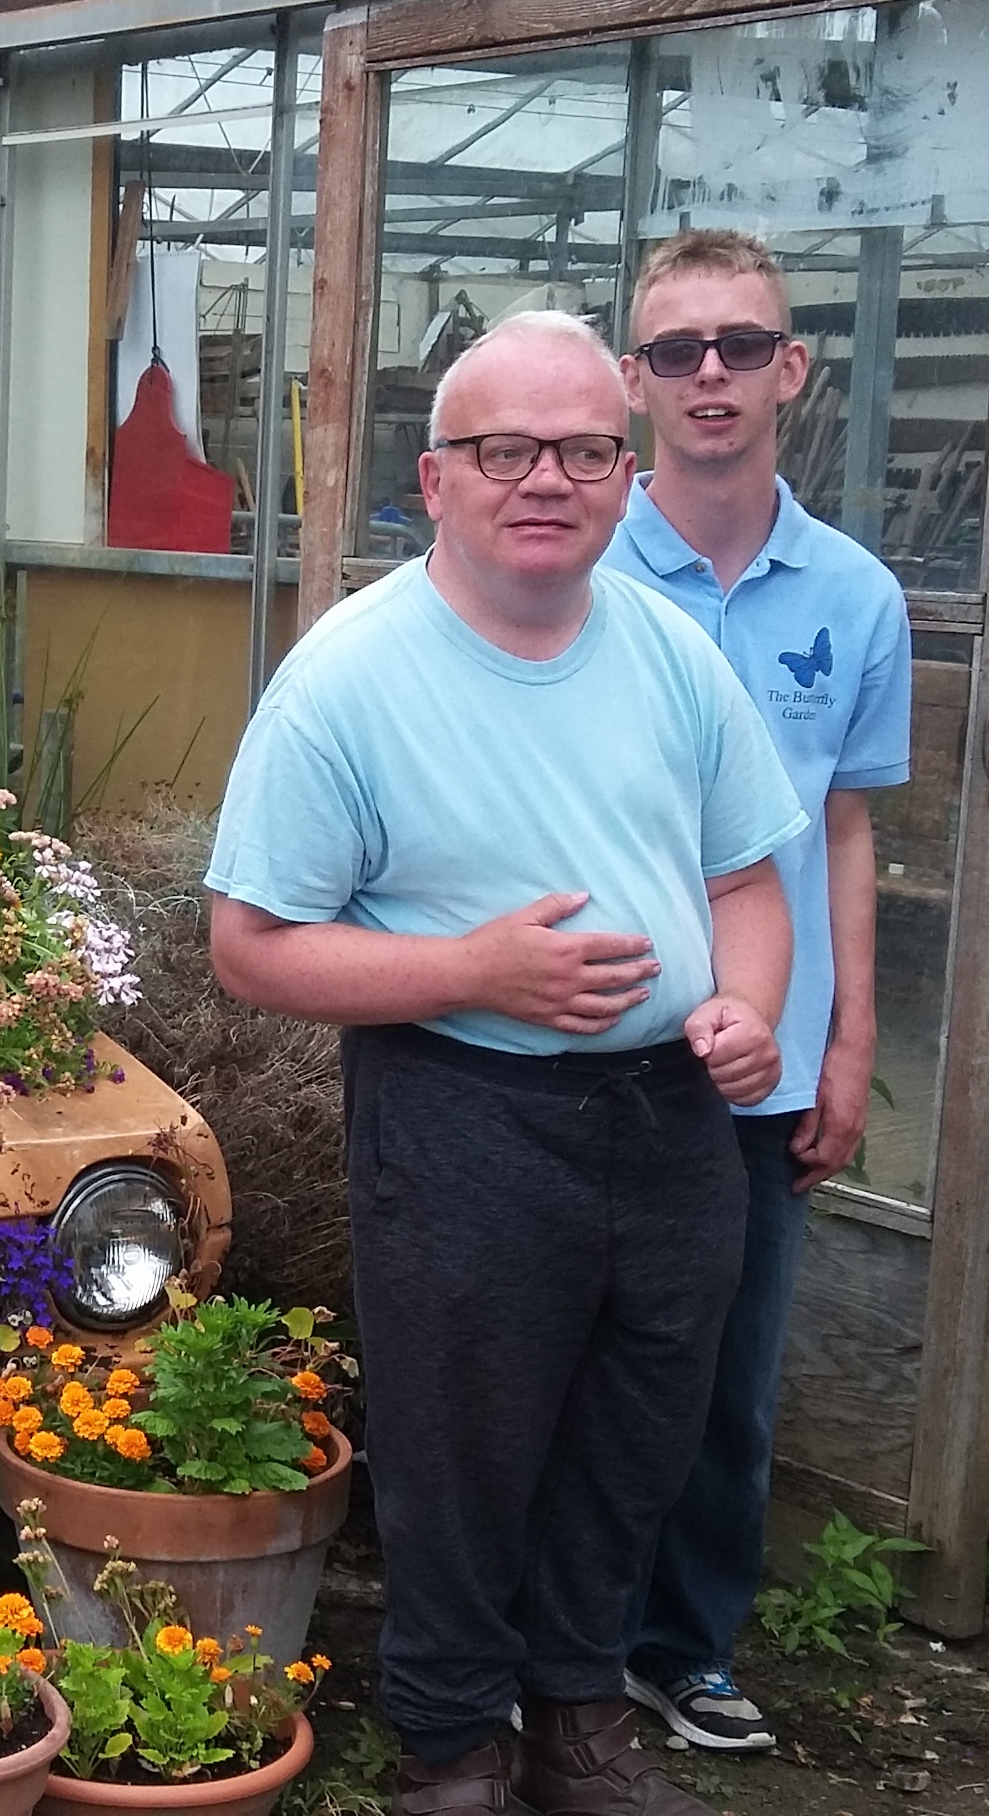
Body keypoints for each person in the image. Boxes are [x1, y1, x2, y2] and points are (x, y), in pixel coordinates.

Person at [203, 311, 807, 1816]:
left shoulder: (670, 657)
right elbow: (252, 941)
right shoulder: (349, 677)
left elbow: (747, 880)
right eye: (507, 451)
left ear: (625, 470)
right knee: (459, 1449)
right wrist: (474, 972)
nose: (549, 478)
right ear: (439, 474)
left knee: (634, 1436)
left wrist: (745, 1007)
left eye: (586, 449)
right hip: (465, 1114)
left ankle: (579, 1724)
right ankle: (450, 1744)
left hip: (672, 1121)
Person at [603, 230, 913, 1753]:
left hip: (761, 1066)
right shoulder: (575, 564)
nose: (708, 373)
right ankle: (566, 1647)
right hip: (592, 1036)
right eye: (677, 350)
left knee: (730, 1373)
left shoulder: (853, 598)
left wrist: (844, 1042)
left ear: (794, 368)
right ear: (634, 379)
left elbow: (845, 824)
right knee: (579, 1358)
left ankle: (687, 1644)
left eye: (741, 344)